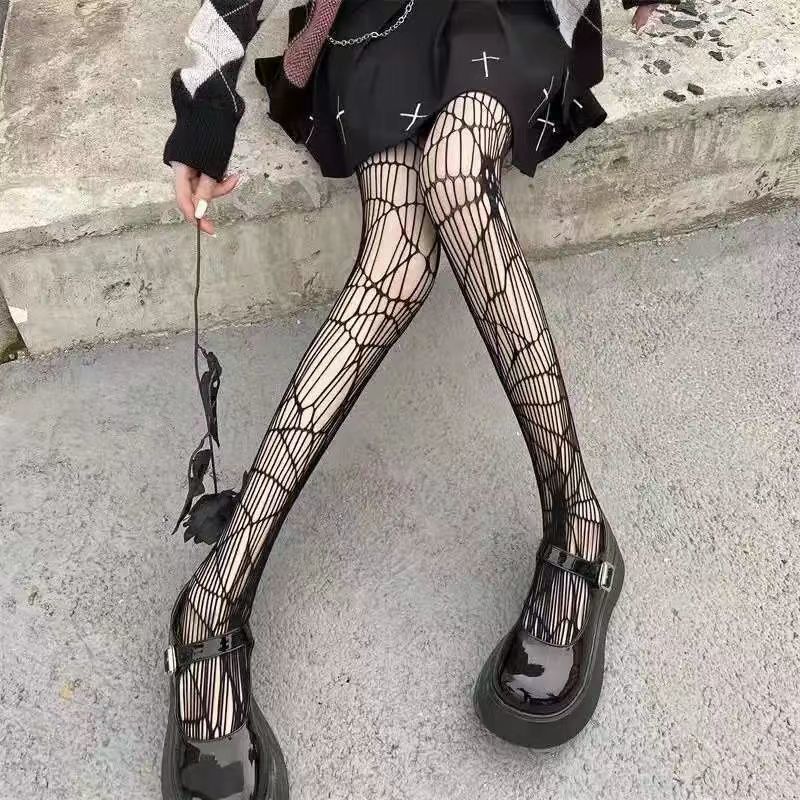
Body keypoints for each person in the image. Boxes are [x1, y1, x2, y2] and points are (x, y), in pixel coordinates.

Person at [160, 1, 676, 798]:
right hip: (378, 20)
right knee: (395, 258)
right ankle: (215, 597)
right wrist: (205, 106)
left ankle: (578, 522)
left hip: (505, 12)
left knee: (455, 173)